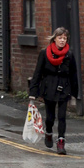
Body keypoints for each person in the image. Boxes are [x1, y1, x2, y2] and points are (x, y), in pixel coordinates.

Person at [29, 27, 79, 155]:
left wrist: (75, 93)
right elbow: (37, 73)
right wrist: (33, 92)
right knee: (50, 117)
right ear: (54, 38)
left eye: (65, 38)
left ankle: (61, 141)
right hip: (49, 86)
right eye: (60, 38)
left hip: (64, 87)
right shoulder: (45, 53)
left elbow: (73, 74)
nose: (62, 40)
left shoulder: (69, 54)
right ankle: (49, 132)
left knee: (62, 116)